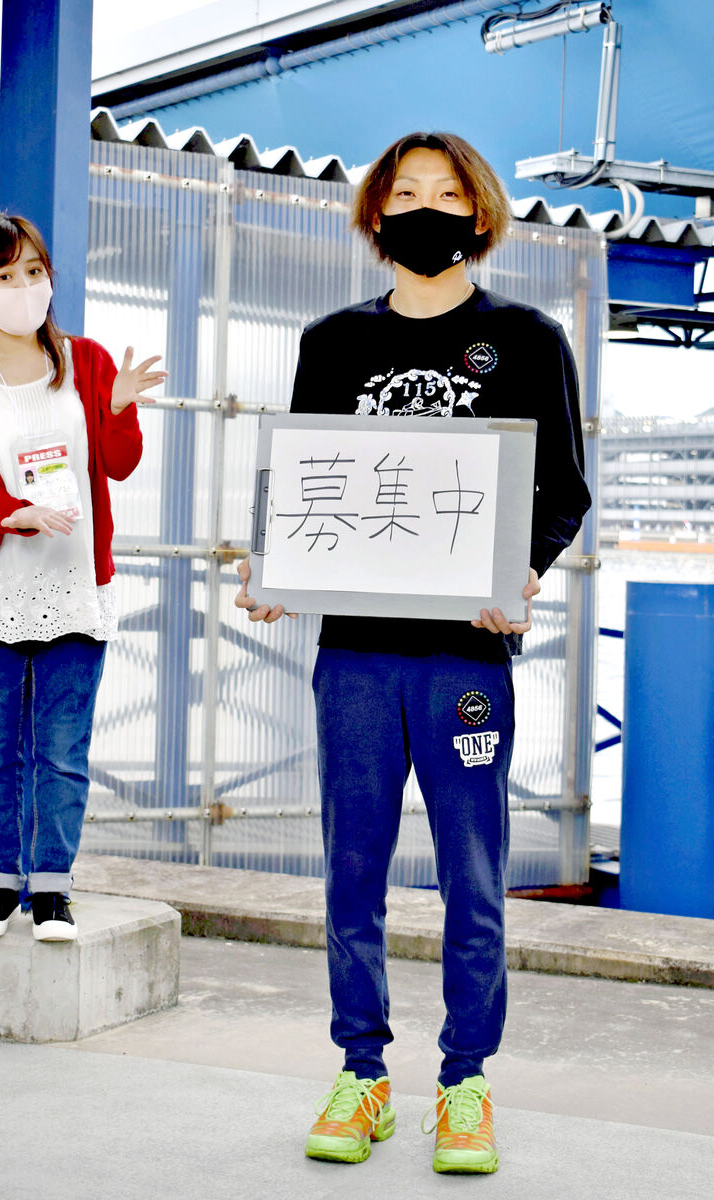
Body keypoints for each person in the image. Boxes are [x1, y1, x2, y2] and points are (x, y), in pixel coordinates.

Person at [236, 131, 591, 1175]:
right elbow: (304, 483)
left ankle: (464, 1082)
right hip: (352, 657)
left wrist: (513, 578)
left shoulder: (523, 337)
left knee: (470, 874)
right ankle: (362, 1075)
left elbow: (558, 490)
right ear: (375, 214)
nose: (424, 208)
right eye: (405, 193)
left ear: (477, 214)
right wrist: (274, 571)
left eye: (445, 193)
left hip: (464, 663)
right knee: (351, 870)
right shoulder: (332, 341)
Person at [0, 214, 166, 942]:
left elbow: (118, 464)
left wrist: (121, 407)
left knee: (62, 748)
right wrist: (17, 513)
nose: (23, 286)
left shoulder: (87, 363)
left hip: (75, 589)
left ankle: (53, 888)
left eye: (34, 271)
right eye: (4, 276)